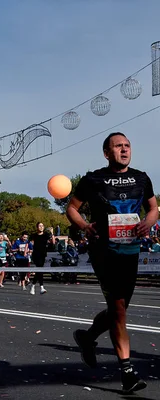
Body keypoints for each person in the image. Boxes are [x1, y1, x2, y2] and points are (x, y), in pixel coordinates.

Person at [67, 132, 157, 394]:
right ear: (107, 153)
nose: (124, 149)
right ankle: (127, 372)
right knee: (118, 308)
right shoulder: (94, 179)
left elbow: (153, 208)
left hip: (130, 250)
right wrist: (84, 226)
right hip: (103, 249)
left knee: (120, 308)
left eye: (127, 145)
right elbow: (72, 207)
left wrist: (149, 221)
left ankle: (87, 337)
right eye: (118, 146)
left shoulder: (142, 178)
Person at [29, 223, 54, 295]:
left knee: (39, 270)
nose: (41, 227)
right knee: (39, 269)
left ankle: (33, 285)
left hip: (43, 254)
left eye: (42, 226)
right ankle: (41, 287)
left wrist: (52, 234)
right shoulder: (34, 235)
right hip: (36, 255)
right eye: (40, 226)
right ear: (37, 227)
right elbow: (30, 244)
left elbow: (53, 243)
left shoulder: (46, 235)